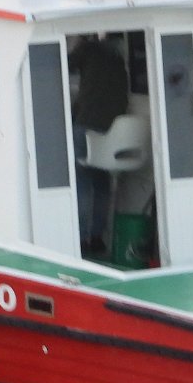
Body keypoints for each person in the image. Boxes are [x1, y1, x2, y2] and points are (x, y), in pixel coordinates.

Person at [69, 34, 129, 255]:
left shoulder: (88, 49)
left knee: (82, 181)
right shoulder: (119, 59)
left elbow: (64, 64)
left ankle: (80, 239)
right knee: (102, 182)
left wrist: (80, 42)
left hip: (87, 125)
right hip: (112, 130)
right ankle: (96, 237)